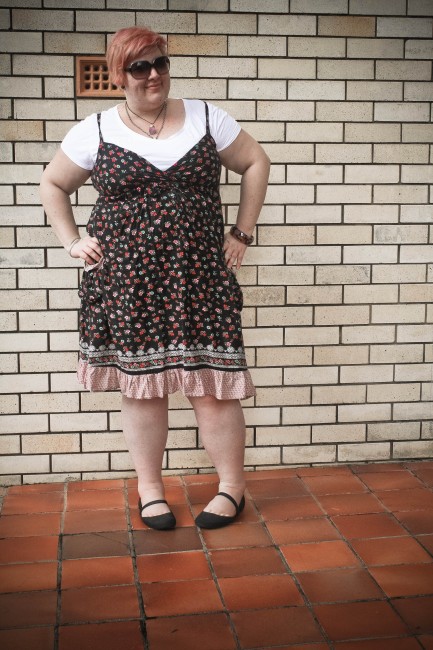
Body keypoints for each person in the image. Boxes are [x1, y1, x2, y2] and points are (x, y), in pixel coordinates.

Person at [40, 26, 270, 531]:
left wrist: (242, 233)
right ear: (119, 74)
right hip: (128, 283)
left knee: (214, 389)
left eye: (160, 63)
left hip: (200, 278)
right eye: (140, 67)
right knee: (142, 389)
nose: (153, 75)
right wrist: (72, 241)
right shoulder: (96, 129)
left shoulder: (207, 117)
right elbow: (53, 183)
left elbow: (255, 162)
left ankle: (232, 488)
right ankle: (150, 491)